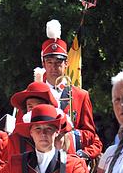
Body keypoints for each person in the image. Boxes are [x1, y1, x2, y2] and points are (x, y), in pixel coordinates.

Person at [38, 19, 102, 161]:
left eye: (58, 62)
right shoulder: (32, 94)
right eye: (49, 62)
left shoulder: (81, 95)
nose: (54, 67)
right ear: (43, 64)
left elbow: (90, 134)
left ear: (66, 63)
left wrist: (68, 136)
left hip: (68, 160)